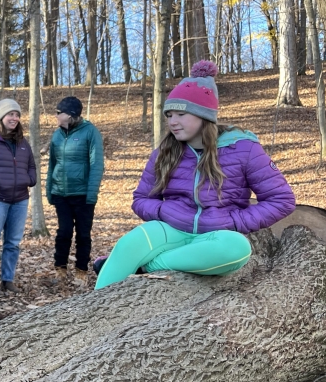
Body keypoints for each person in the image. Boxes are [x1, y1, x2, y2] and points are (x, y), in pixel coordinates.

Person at [93, 61, 295, 290]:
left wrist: (234, 221)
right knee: (130, 243)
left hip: (215, 237)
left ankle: (147, 267)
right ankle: (91, 311)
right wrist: (163, 211)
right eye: (169, 115)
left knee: (237, 248)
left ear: (203, 116)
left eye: (181, 113)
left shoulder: (244, 149)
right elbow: (141, 199)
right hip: (171, 229)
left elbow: (282, 200)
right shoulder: (165, 152)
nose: (172, 122)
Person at [0, 99, 37, 296]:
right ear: (2, 116)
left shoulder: (22, 142)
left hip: (20, 199)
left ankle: (7, 280)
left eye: (17, 115)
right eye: (10, 114)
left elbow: (31, 166)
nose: (15, 118)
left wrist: (30, 179)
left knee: (13, 243)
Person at [46, 96, 104, 284]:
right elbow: (52, 164)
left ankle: (81, 272)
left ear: (70, 114)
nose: (55, 116)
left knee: (83, 234)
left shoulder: (90, 132)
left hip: (83, 194)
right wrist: (50, 189)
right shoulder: (57, 135)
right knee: (63, 232)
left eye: (58, 112)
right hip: (61, 193)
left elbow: (96, 164)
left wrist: (92, 193)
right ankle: (60, 270)